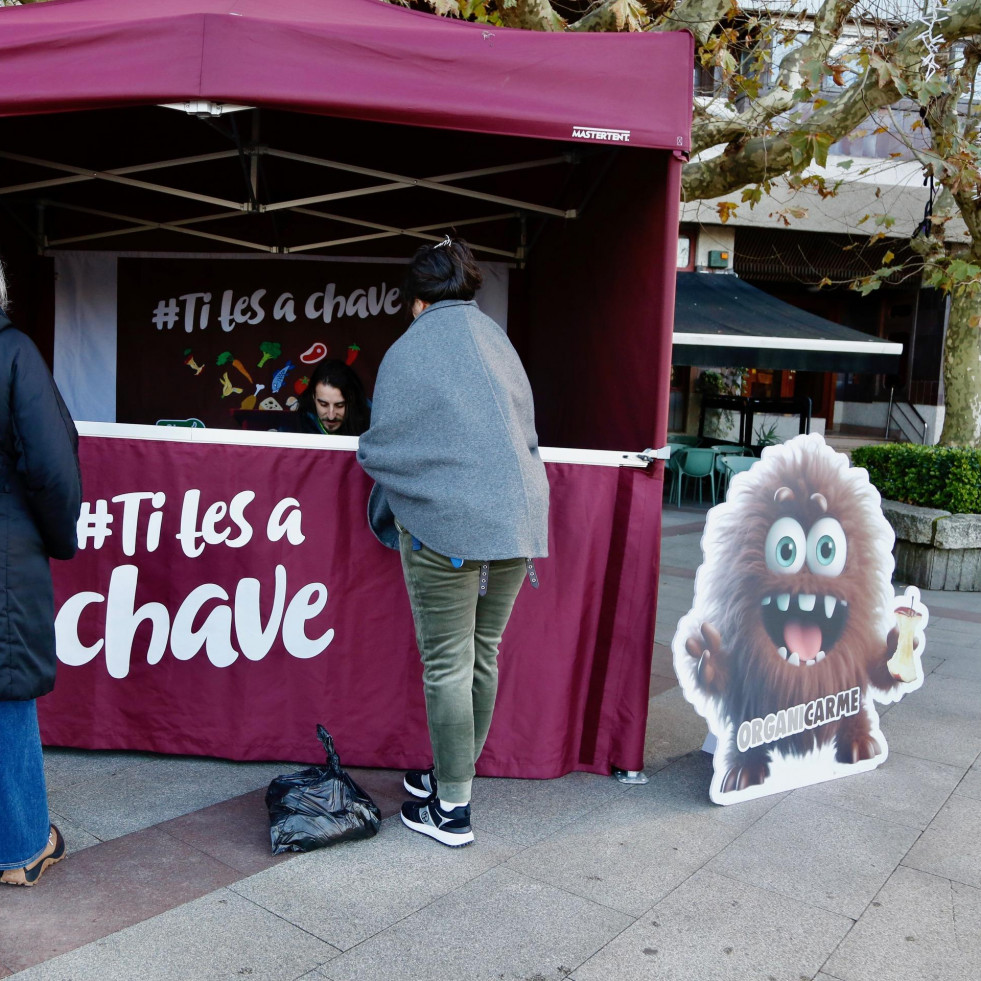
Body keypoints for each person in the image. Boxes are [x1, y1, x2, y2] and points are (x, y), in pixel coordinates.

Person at [357, 236, 549, 848]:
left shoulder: (410, 349)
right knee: (483, 654)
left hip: (447, 526)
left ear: (415, 301)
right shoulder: (500, 342)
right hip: (518, 522)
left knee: (448, 664)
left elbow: (384, 445)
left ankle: (452, 809)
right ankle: (452, 778)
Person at [0, 262, 82, 887]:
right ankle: (23, 847)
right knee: (6, 692)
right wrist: (59, 539)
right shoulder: (14, 353)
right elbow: (52, 466)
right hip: (5, 549)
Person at [292, 359, 371, 436]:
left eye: (339, 405)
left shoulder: (371, 419)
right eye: (323, 404)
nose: (331, 416)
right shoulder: (299, 423)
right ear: (313, 397)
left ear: (351, 399)